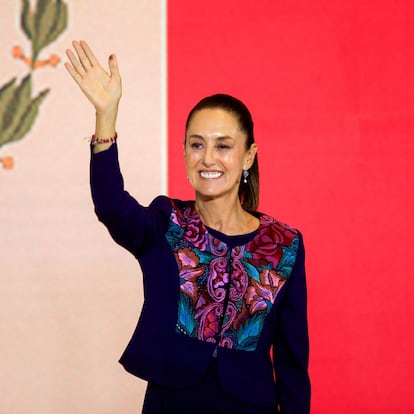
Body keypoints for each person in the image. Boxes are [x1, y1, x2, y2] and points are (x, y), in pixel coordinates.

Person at [65, 40, 311, 414]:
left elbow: (293, 366)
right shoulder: (167, 222)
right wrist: (106, 117)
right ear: (184, 153)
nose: (208, 158)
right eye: (197, 145)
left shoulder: (284, 245)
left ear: (248, 156)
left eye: (223, 146)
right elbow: (112, 206)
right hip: (170, 403)